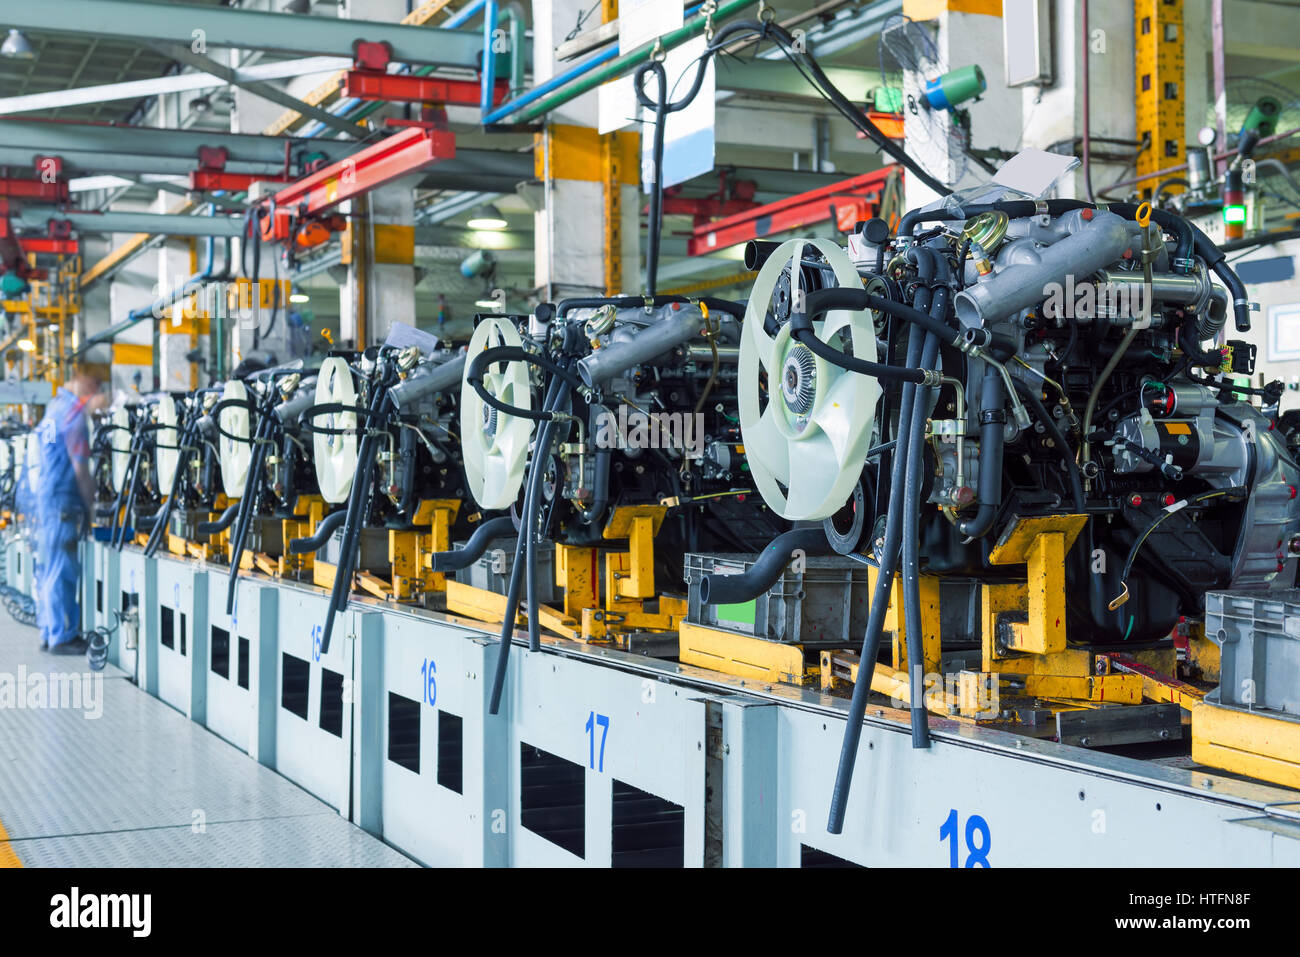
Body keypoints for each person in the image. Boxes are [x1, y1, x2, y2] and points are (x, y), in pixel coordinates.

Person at [34, 372, 106, 655]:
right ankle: (62, 636)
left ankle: (48, 630)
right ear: (87, 383)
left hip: (47, 497)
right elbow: (81, 470)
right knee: (62, 570)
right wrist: (92, 508)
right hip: (64, 500)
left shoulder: (53, 409)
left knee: (48, 568)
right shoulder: (73, 417)